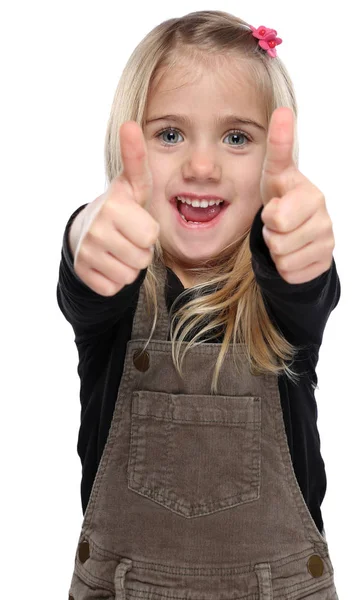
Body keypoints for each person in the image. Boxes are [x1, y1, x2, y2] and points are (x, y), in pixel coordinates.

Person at [57, 10, 341, 600]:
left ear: (271, 160)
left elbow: (309, 288)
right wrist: (83, 232)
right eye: (169, 134)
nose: (202, 166)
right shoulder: (122, 286)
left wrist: (308, 254)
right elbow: (85, 280)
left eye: (237, 137)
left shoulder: (284, 290)